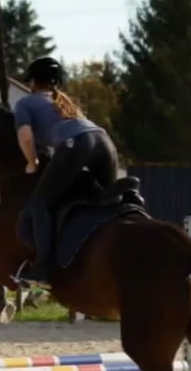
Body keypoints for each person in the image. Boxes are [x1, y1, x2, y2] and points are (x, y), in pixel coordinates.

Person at [12, 56, 140, 284]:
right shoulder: (65, 103)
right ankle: (128, 196)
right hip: (103, 141)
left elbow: (26, 138)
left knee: (39, 203)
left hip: (76, 145)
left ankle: (42, 268)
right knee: (104, 199)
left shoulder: (25, 103)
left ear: (32, 82)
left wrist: (32, 163)